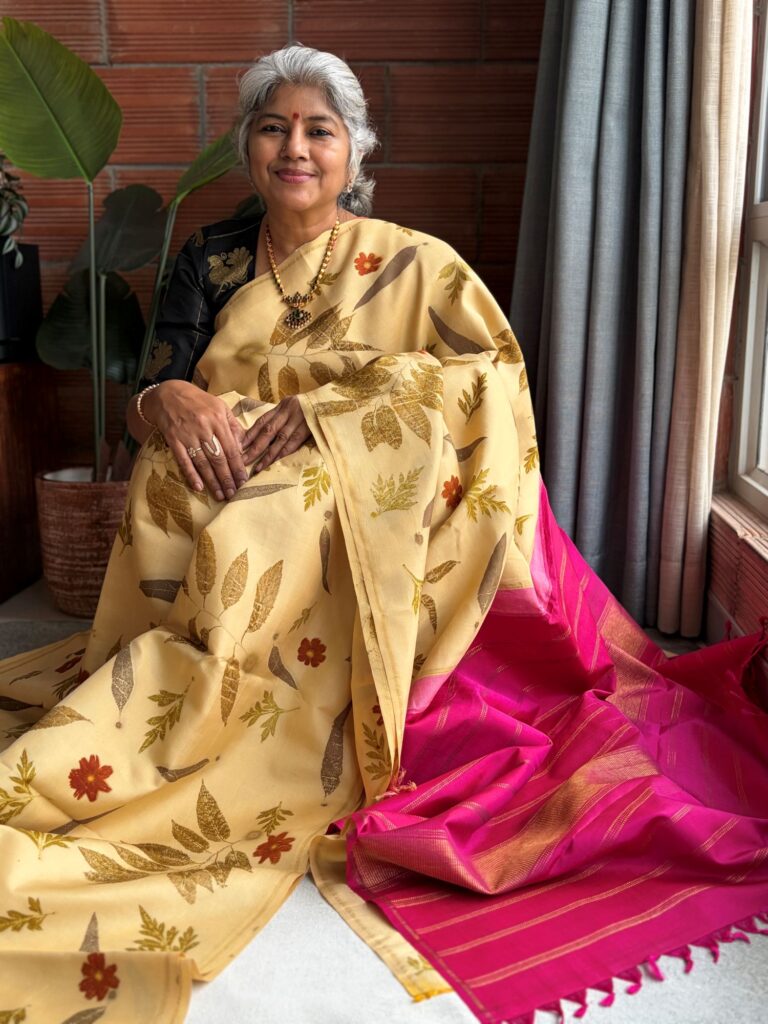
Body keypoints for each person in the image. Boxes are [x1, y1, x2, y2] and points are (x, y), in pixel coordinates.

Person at [1, 43, 767, 1024]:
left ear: (354, 150)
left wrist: (333, 406)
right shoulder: (211, 256)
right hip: (229, 451)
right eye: (273, 127)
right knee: (173, 488)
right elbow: (161, 383)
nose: (295, 147)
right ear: (247, 147)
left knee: (279, 520)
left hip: (366, 472)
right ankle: (182, 694)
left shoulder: (414, 263)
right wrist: (170, 400)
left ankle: (245, 717)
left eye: (319, 129)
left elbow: (484, 376)